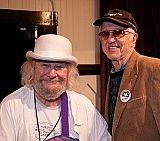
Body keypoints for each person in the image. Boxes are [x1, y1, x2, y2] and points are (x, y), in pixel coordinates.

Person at [0, 34, 111, 141]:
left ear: (69, 73)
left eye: (59, 66)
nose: (52, 74)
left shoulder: (84, 107)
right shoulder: (11, 106)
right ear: (32, 70)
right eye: (45, 65)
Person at [93, 9, 160, 141]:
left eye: (118, 33)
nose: (111, 39)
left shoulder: (154, 68)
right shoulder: (114, 75)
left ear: (134, 38)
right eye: (105, 34)